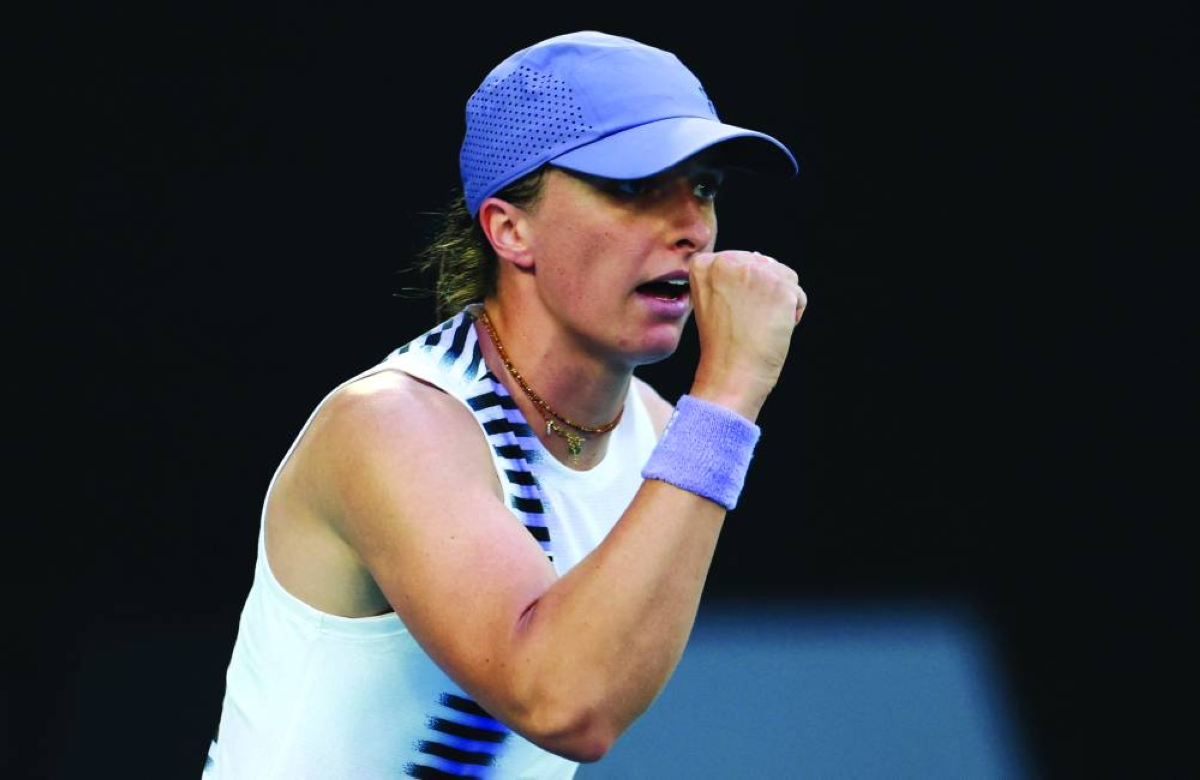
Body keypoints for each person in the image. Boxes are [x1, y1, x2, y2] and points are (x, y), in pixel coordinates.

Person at [204, 29, 807, 779]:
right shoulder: (392, 425)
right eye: (632, 187)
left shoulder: (658, 433)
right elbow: (567, 705)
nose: (691, 227)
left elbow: (605, 692)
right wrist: (728, 393)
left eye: (704, 187)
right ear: (510, 228)